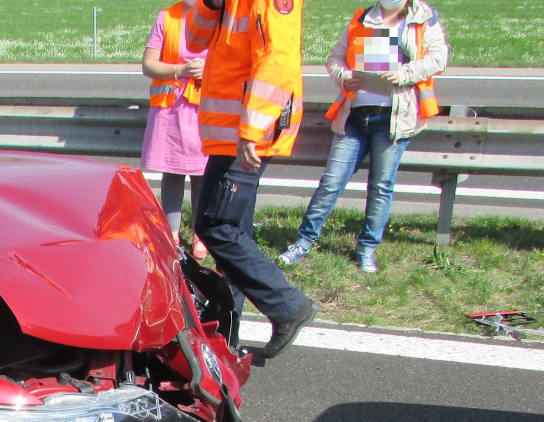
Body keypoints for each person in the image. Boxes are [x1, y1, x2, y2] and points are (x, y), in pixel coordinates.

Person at [185, 0, 319, 359]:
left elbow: (277, 64)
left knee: (217, 225)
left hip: (247, 134)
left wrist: (251, 130)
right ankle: (226, 335)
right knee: (231, 231)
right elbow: (194, 38)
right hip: (229, 134)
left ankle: (288, 306)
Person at [277, 0, 448, 273]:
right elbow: (335, 58)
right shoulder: (363, 18)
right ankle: (303, 241)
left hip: (394, 118)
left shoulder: (423, 18)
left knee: (381, 187)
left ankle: (367, 248)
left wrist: (404, 73)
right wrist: (345, 77)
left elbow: (438, 59)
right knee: (331, 182)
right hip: (355, 116)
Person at [141, 0, 209, 260]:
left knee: (203, 173)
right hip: (170, 109)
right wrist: (180, 69)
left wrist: (208, 70)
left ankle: (201, 233)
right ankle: (171, 234)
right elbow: (148, 64)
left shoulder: (219, 17)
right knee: (172, 171)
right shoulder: (167, 17)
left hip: (204, 109)